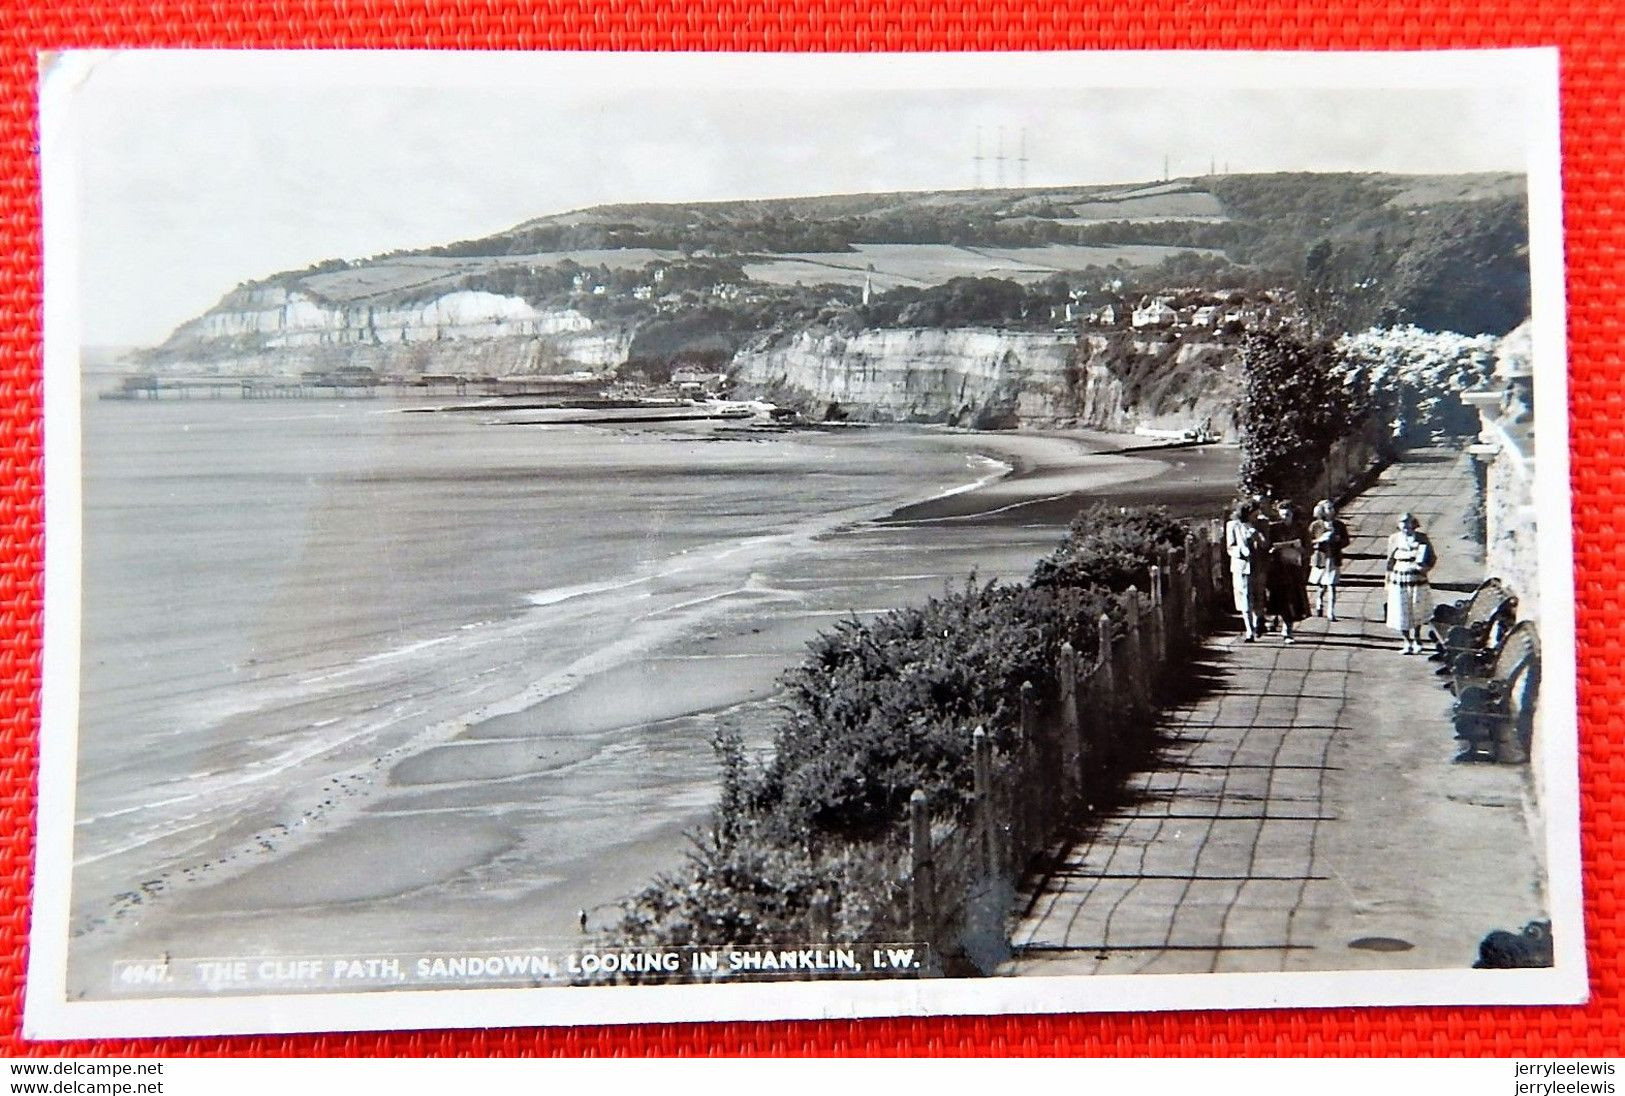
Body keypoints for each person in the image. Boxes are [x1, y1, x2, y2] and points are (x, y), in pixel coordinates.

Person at [1385, 512, 1436, 654]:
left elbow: (1432, 557)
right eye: (1403, 523)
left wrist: (1426, 568)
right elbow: (1389, 562)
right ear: (1398, 525)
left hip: (1417, 578)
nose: (1406, 526)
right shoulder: (1394, 539)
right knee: (1401, 609)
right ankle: (1407, 642)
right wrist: (1387, 581)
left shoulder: (1421, 538)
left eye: (1408, 522)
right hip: (1399, 577)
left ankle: (1418, 639)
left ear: (1414, 524)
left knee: (1417, 608)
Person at [1266, 501, 1311, 643]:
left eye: (1288, 515)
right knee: (1280, 598)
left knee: (1292, 600)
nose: (1286, 518)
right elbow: (1267, 547)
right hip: (1278, 569)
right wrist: (1273, 550)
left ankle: (1288, 629)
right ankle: (1279, 623)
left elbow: (1309, 550)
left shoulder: (1301, 529)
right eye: (1283, 515)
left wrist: (1299, 549)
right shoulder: (1274, 529)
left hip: (1294, 569)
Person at [1225, 500, 1268, 642]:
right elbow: (1230, 547)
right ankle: (1249, 630)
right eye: (1254, 513)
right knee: (1245, 598)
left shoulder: (1261, 524)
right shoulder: (1232, 525)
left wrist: (1257, 535)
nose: (1256, 515)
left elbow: (1266, 544)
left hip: (1259, 566)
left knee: (1259, 596)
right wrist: (1241, 551)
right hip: (1242, 567)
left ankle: (1258, 623)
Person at [1308, 499, 1351, 621]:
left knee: (1332, 585)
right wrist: (1319, 540)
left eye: (1332, 507)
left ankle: (1331, 612)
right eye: (1328, 508)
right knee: (1322, 585)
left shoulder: (1339, 525)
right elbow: (1307, 541)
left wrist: (1338, 540)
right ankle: (1319, 602)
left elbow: (1346, 541)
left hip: (1333, 558)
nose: (1331, 510)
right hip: (1320, 558)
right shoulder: (1315, 525)